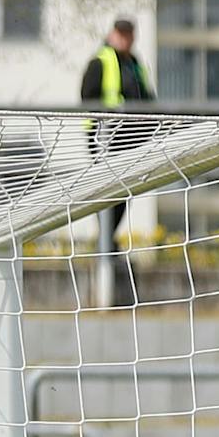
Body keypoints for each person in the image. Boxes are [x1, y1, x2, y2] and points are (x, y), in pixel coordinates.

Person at [80, 18, 152, 295]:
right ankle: (106, 245)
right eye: (122, 35)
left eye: (129, 35)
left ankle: (107, 242)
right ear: (113, 34)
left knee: (125, 191)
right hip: (105, 135)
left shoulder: (134, 62)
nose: (126, 40)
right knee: (107, 191)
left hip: (132, 138)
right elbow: (88, 95)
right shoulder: (101, 60)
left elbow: (146, 97)